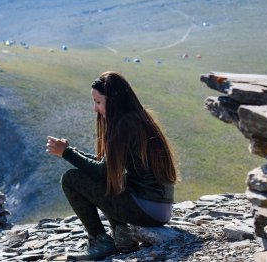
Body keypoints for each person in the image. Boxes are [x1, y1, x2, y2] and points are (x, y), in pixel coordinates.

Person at [46, 71, 179, 261]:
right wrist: (71, 150)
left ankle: (100, 240)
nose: (95, 109)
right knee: (118, 179)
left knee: (71, 178)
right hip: (160, 209)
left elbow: (102, 173)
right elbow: (108, 166)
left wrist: (66, 153)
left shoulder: (124, 125)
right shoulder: (138, 119)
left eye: (98, 102)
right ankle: (123, 237)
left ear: (114, 101)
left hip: (148, 211)